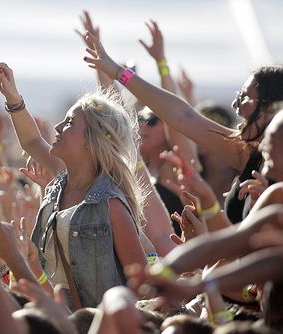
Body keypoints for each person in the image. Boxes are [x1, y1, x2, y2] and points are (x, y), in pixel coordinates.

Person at [0, 62, 147, 309]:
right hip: (54, 321)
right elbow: (31, 141)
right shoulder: (62, 182)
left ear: (91, 141)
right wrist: (12, 96)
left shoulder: (111, 204)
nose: (58, 127)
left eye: (70, 123)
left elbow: (142, 283)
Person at [82, 33, 283, 223]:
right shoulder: (248, 154)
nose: (235, 105)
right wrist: (119, 74)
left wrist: (272, 202)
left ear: (273, 108)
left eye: (245, 98)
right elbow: (182, 116)